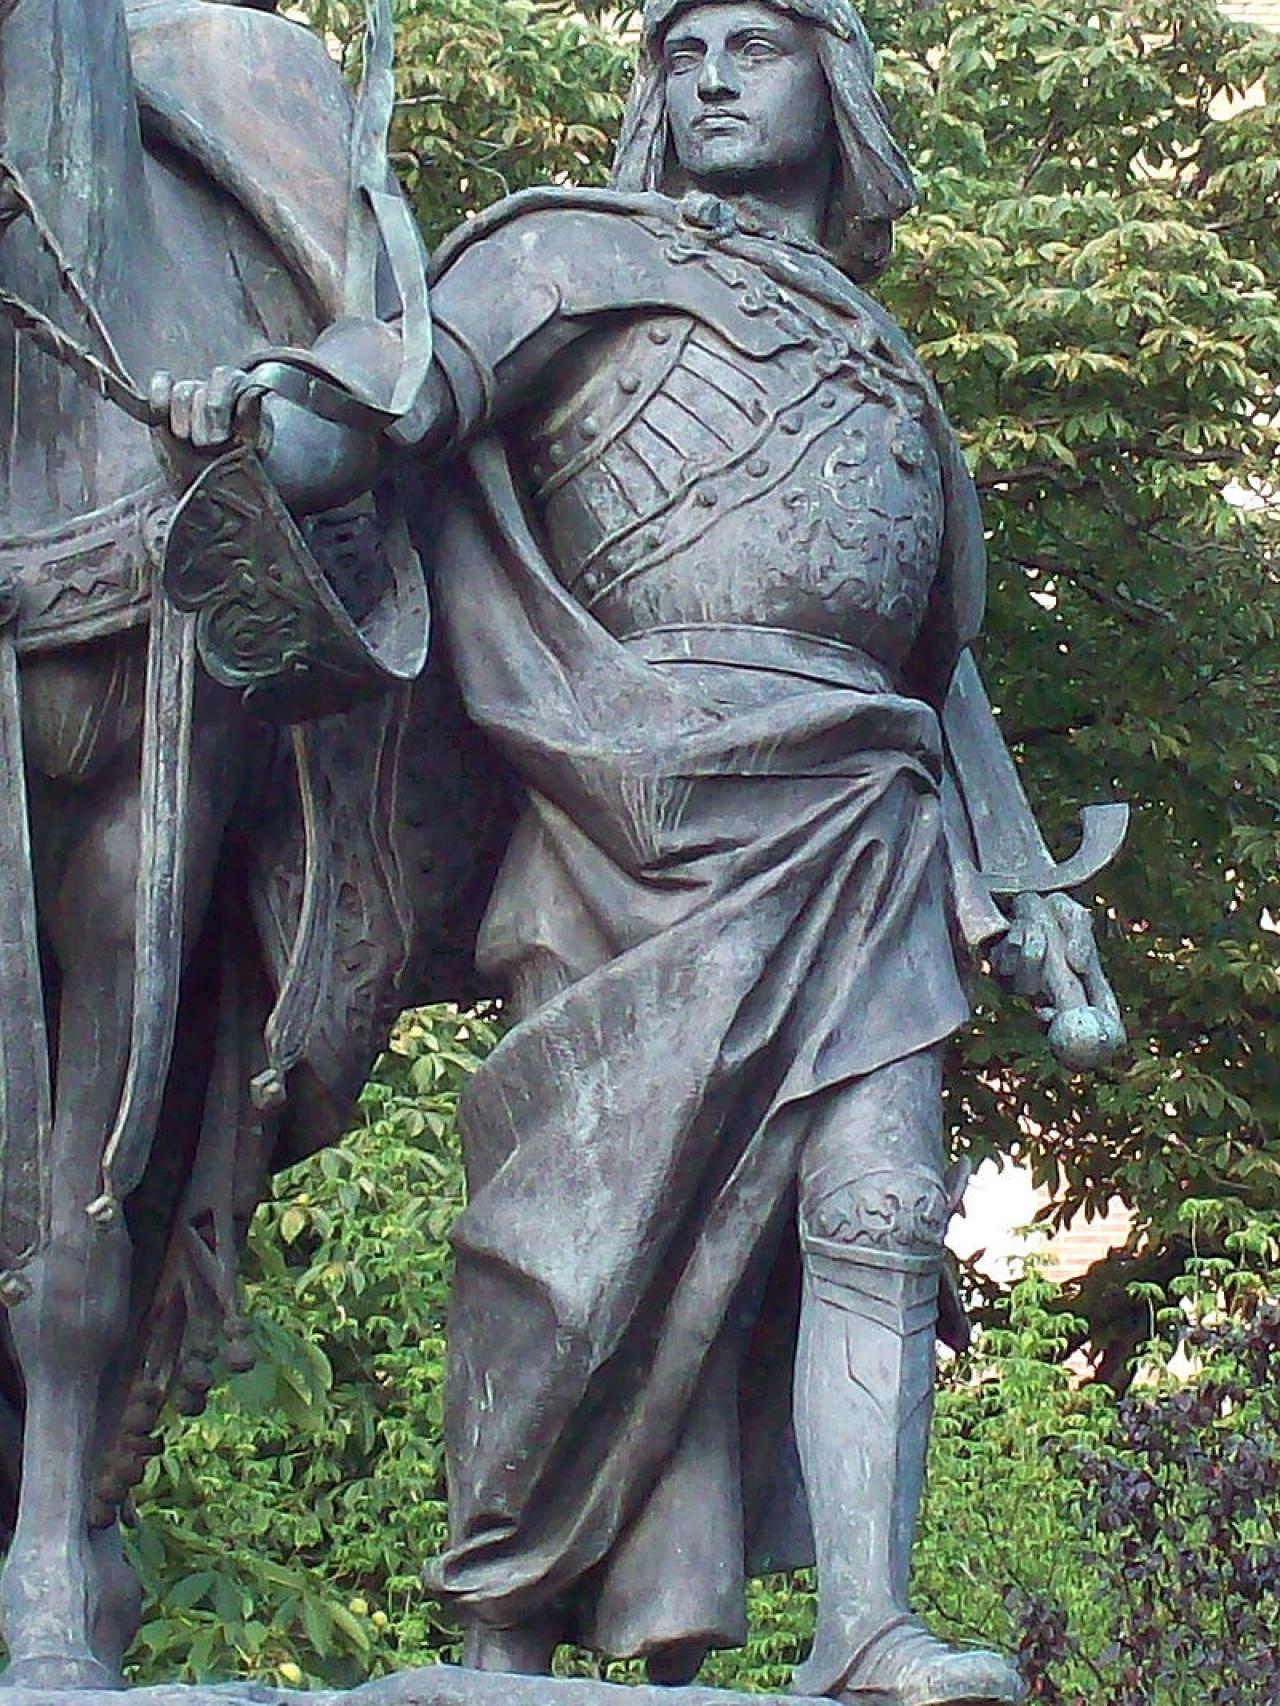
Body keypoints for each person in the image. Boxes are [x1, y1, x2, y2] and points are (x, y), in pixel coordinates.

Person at [159, 2, 1123, 1700]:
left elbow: (939, 665)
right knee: (569, 1239)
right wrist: (276, 421)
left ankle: (867, 1624)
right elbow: (401, 396)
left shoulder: (889, 363)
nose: (716, 75)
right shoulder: (570, 252)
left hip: (863, 816)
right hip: (621, 807)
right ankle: (501, 1630)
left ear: (840, 78)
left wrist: (1032, 896)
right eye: (684, 52)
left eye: (759, 41)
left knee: (885, 1209)